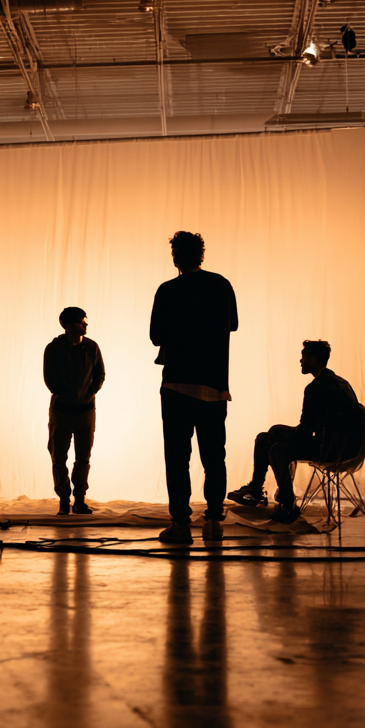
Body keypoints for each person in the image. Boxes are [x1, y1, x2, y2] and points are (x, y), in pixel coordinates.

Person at [149, 231, 238, 543]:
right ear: (202, 255)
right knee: (214, 456)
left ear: (175, 257)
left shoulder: (168, 290)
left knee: (177, 458)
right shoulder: (222, 285)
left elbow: (156, 336)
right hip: (214, 386)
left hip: (177, 385)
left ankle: (181, 524)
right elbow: (232, 324)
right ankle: (214, 522)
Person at [227, 340, 360, 523]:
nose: (300, 361)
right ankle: (256, 489)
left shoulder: (315, 388)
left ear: (312, 359)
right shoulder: (342, 383)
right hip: (349, 449)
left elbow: (305, 432)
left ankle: (286, 503)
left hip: (328, 451)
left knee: (276, 448)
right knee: (267, 437)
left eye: (303, 357)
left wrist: (279, 434)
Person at [43, 306, 105, 515]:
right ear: (68, 326)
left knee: (83, 457)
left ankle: (79, 499)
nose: (85, 324)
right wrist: (65, 394)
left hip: (86, 411)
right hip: (61, 411)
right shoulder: (53, 348)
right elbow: (49, 377)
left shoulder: (92, 347)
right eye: (81, 321)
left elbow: (100, 374)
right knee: (58, 457)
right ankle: (63, 499)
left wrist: (90, 393)